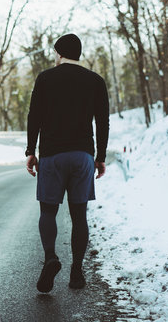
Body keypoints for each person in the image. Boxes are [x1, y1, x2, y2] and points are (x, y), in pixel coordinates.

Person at [25, 33, 109, 293]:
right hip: (82, 156)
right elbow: (103, 120)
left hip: (52, 155)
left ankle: (51, 257)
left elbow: (34, 115)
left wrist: (31, 150)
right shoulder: (95, 81)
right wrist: (100, 157)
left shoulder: (46, 78)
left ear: (59, 53)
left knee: (48, 212)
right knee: (79, 215)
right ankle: (77, 272)